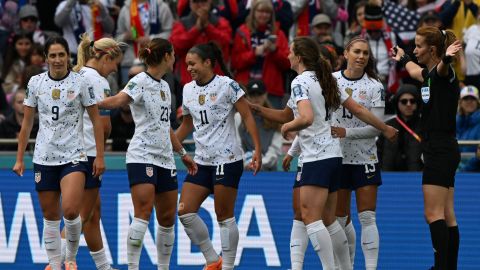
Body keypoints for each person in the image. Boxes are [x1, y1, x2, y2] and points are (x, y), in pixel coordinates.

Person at [252, 36, 397, 270]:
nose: (287, 55)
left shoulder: (300, 81)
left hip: (316, 156)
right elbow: (357, 110)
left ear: (299, 57)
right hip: (334, 155)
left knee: (310, 218)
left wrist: (289, 128)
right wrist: (257, 109)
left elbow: (303, 118)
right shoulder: (326, 80)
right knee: (330, 221)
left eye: (290, 52)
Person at [97, 38, 197, 270]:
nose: (175, 59)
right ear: (166, 56)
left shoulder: (165, 85)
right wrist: (92, 102)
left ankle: (163, 267)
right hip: (142, 155)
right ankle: (133, 267)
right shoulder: (140, 80)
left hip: (165, 158)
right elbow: (120, 100)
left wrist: (182, 152)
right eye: (173, 55)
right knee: (142, 212)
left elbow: (165, 126)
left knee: (167, 218)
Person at [13, 36, 106, 270]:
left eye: (61, 55)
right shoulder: (35, 83)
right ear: (46, 58)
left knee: (71, 210)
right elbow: (26, 124)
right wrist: (19, 158)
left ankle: (69, 259)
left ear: (68, 57)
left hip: (74, 155)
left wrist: (101, 156)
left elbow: (96, 121)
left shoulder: (81, 82)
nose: (57, 60)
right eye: (52, 55)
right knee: (50, 216)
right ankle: (55, 265)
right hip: (44, 156)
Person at [175, 42, 262, 270]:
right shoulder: (187, 89)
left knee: (224, 215)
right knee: (184, 211)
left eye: (193, 64)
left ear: (208, 63)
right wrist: (170, 143)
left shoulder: (228, 86)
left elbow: (248, 117)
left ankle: (229, 266)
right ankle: (213, 260)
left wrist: (257, 150)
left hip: (227, 160)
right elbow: (187, 124)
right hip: (201, 162)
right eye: (187, 65)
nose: (189, 69)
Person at [44, 34, 125, 270]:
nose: (114, 69)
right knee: (79, 216)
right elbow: (105, 124)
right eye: (114, 63)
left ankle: (103, 267)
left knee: (92, 214)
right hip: (89, 154)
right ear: (106, 57)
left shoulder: (78, 75)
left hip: (73, 150)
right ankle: (56, 264)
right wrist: (101, 151)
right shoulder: (99, 81)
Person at [392, 26, 463, 270]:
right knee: (447, 213)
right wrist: (402, 57)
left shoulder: (443, 72)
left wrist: (447, 57)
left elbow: (444, 67)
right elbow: (412, 69)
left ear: (432, 49)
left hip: (440, 150)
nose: (415, 50)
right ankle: (448, 266)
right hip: (443, 149)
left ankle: (441, 266)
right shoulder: (428, 75)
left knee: (433, 214)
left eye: (419, 46)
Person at [330, 37, 386, 270]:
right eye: (357, 51)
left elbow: (377, 127)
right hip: (336, 158)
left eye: (365, 53)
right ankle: (346, 266)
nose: (361, 56)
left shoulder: (375, 86)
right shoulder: (330, 81)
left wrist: (346, 132)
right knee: (340, 219)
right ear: (346, 53)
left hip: (365, 158)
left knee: (367, 217)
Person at [230, 0, 290, 109]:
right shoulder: (242, 32)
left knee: (272, 124)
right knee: (243, 124)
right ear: (253, 12)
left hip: (270, 89)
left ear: (271, 15)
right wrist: (254, 53)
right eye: (260, 11)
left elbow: (287, 63)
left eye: (267, 12)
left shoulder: (278, 34)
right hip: (246, 88)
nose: (264, 15)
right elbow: (235, 62)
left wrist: (274, 51)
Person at [169, 0, 232, 86]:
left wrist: (207, 26)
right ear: (190, 3)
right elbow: (175, 46)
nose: (200, 4)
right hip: (188, 82)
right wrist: (196, 29)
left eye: (204, 1)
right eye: (195, 1)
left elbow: (225, 42)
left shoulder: (221, 22)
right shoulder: (181, 24)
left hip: (217, 82)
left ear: (210, 2)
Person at [235, 79, 282, 171]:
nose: (256, 98)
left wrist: (261, 162)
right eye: (252, 95)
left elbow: (275, 149)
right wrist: (247, 163)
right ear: (247, 97)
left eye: (259, 94)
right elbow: (237, 145)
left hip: (269, 170)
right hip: (245, 169)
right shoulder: (238, 117)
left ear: (265, 95)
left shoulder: (275, 117)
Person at [377, 84, 424, 171]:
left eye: (412, 101)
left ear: (417, 103)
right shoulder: (387, 126)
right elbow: (378, 153)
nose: (408, 104)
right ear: (397, 103)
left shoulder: (425, 126)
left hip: (417, 178)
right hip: (388, 178)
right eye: (404, 101)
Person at [456, 85, 480, 172]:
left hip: (475, 175)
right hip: (454, 173)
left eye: (473, 99)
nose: (469, 101)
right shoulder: (453, 123)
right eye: (466, 98)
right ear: (460, 102)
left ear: (478, 102)